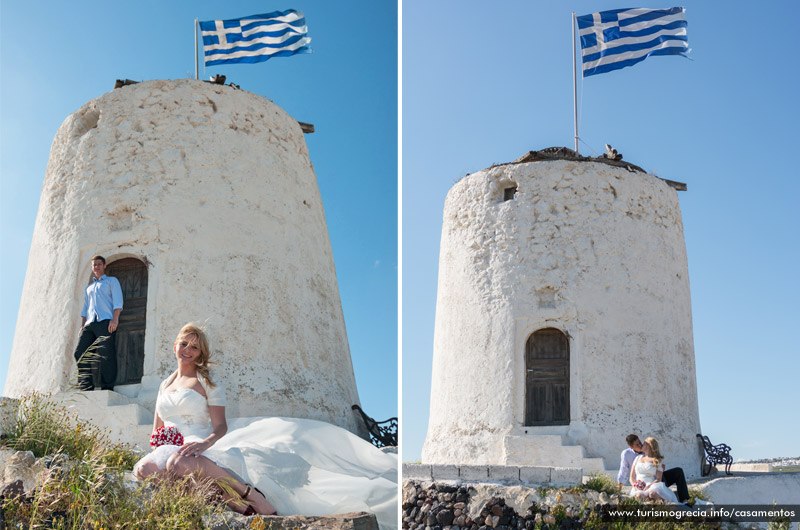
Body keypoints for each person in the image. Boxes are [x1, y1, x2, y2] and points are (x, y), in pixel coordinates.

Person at [133, 324, 397, 529]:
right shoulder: (164, 385)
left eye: (194, 347)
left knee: (179, 464)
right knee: (144, 469)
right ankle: (226, 501)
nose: (187, 350)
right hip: (169, 446)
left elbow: (220, 427)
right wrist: (157, 447)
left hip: (199, 441)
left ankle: (251, 495)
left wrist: (204, 444)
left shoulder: (207, 383)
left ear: (201, 353)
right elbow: (157, 432)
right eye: (184, 344)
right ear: (174, 345)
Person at [73, 255, 123, 391]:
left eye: (99, 264)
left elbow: (118, 301)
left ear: (104, 265)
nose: (96, 267)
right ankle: (86, 386)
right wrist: (82, 326)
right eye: (94, 265)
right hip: (90, 324)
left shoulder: (112, 281)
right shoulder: (89, 288)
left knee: (106, 354)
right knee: (80, 352)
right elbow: (85, 308)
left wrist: (115, 319)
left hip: (106, 321)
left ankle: (107, 386)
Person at [629, 437, 679, 504]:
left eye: (643, 443)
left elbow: (658, 479)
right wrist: (636, 487)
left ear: (649, 445)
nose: (641, 445)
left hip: (652, 485)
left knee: (653, 494)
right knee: (639, 496)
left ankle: (663, 505)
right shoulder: (637, 458)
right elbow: (631, 478)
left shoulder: (657, 460)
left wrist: (648, 486)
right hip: (638, 487)